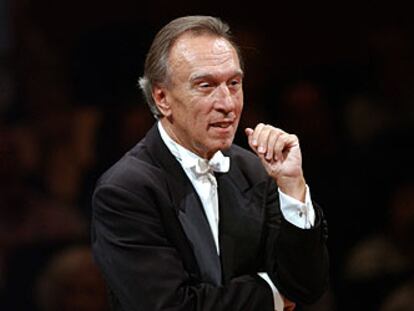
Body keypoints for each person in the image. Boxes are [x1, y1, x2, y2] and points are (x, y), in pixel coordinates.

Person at [91, 15, 329, 311]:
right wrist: (273, 294)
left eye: (234, 83)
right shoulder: (125, 190)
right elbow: (170, 306)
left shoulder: (255, 170)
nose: (227, 103)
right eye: (206, 85)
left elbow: (306, 286)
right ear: (162, 97)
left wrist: (293, 186)